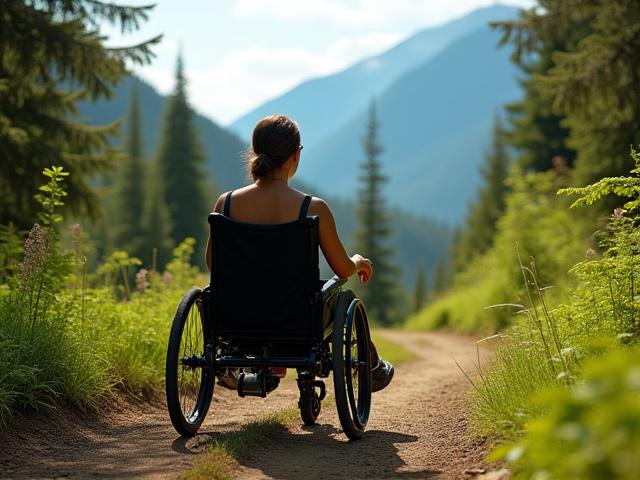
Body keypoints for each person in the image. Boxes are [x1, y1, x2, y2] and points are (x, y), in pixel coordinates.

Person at [205, 114, 394, 393]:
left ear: (257, 153)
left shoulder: (227, 203)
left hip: (237, 318)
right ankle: (373, 366)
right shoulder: (313, 209)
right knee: (343, 297)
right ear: (295, 155)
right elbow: (343, 270)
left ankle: (247, 365)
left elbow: (213, 264)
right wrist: (358, 261)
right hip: (297, 321)